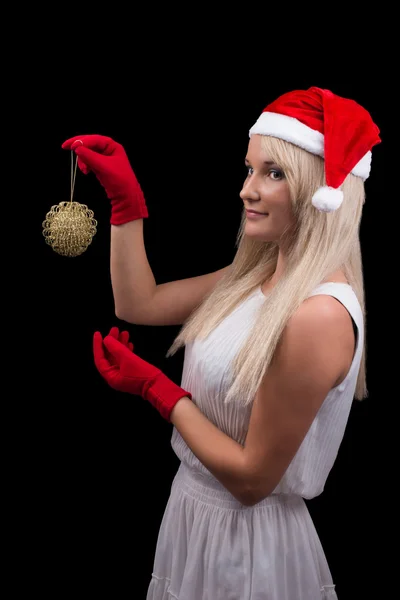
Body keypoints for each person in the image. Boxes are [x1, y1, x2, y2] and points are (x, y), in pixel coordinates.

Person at [62, 86, 381, 599]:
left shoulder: (319, 314)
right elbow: (137, 304)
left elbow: (253, 480)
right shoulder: (251, 277)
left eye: (274, 173)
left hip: (250, 551)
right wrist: (126, 203)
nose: (247, 190)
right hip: (192, 518)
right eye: (249, 169)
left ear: (323, 192)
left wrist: (156, 391)